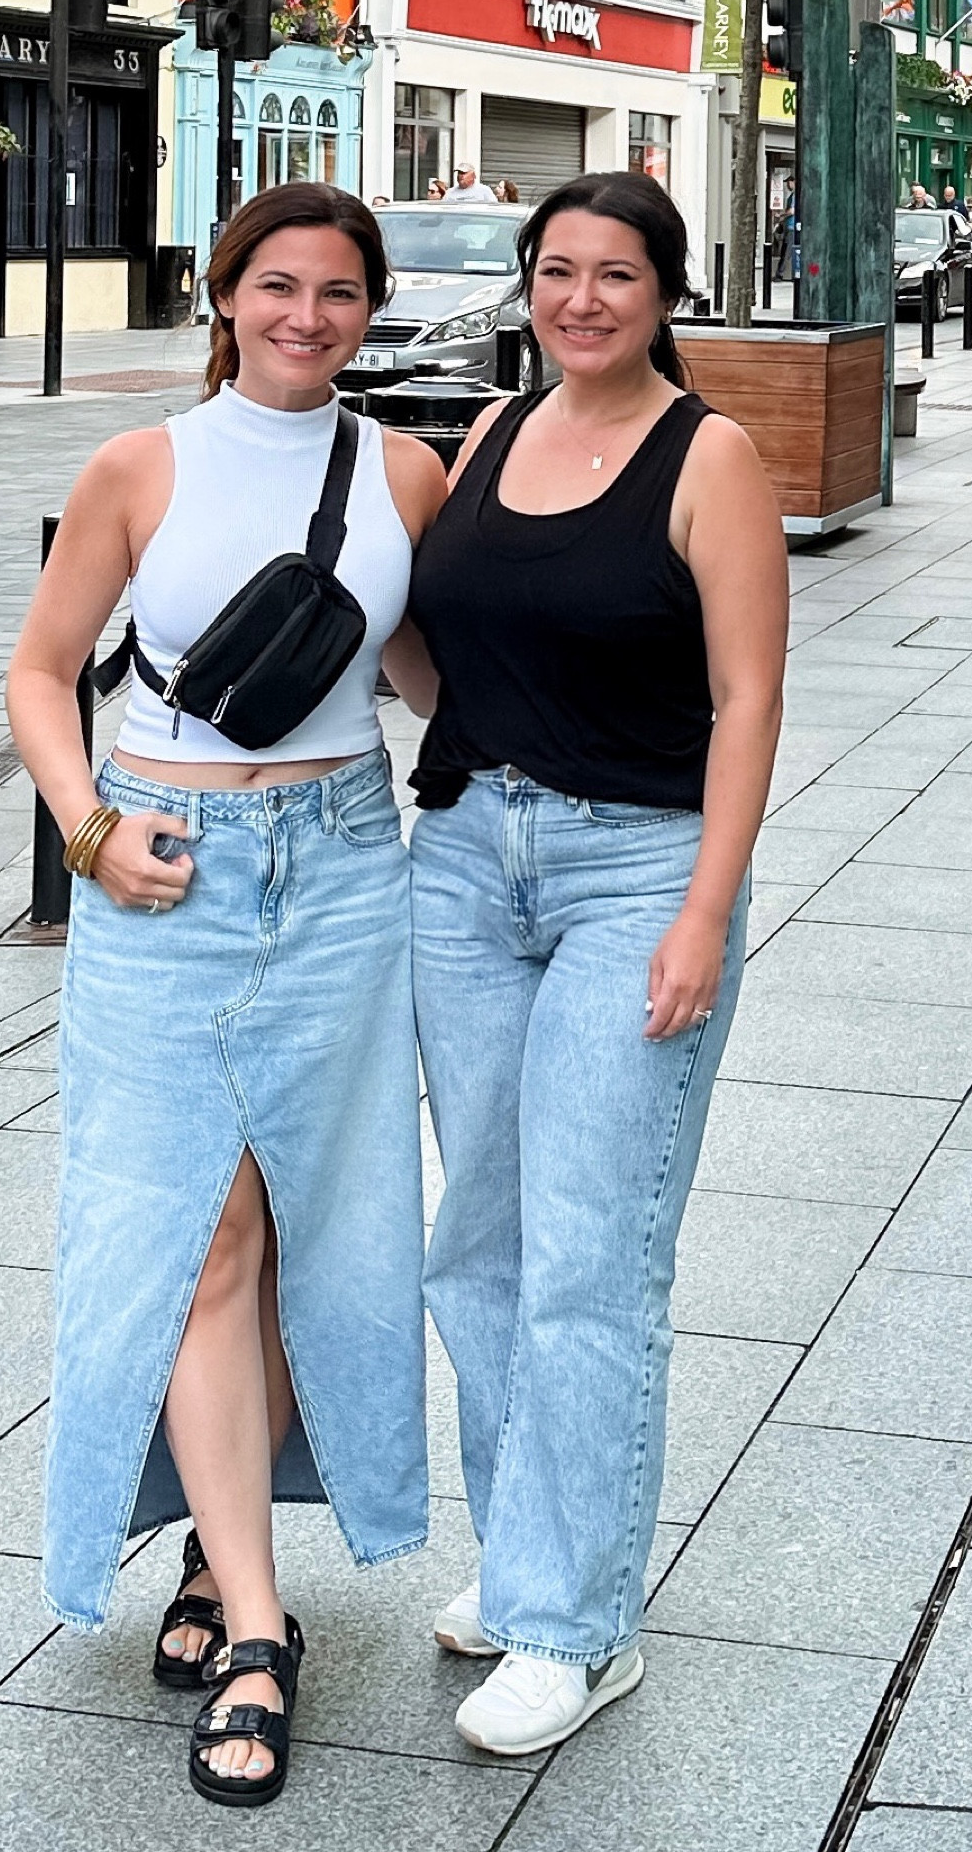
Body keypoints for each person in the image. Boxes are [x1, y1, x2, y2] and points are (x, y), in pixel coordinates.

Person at [6, 183, 446, 1809]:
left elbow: (432, 684)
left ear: (368, 309)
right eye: (278, 287)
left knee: (298, 1233)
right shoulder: (142, 467)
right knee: (204, 1235)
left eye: (339, 294)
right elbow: (40, 670)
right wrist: (91, 827)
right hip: (166, 877)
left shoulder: (404, 472)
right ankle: (260, 1627)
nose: (307, 317)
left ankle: (219, 1543)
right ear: (226, 293)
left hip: (341, 870)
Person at [405, 170, 786, 1755]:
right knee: (473, 1246)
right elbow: (428, 645)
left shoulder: (712, 458)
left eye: (611, 275)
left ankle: (577, 1624)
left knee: (586, 1258)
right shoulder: (489, 437)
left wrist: (701, 911)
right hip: (466, 863)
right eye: (553, 271)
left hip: (636, 872)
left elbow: (748, 700)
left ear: (661, 292)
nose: (578, 300)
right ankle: (525, 1562)